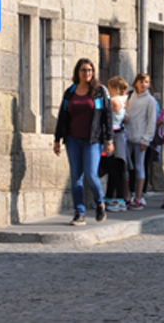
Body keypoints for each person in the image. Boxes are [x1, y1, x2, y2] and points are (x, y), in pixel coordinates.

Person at [54, 58, 114, 225]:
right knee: (76, 177)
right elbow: (62, 115)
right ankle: (79, 213)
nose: (87, 73)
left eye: (89, 70)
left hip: (92, 140)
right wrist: (57, 139)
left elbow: (107, 116)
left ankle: (100, 202)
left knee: (91, 174)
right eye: (83, 70)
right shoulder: (70, 92)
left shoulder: (99, 91)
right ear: (77, 72)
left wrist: (109, 139)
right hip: (72, 139)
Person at [125, 73, 157, 210]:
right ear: (136, 83)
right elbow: (126, 112)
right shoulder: (130, 97)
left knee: (139, 167)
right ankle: (126, 196)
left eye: (147, 82)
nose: (144, 84)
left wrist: (146, 139)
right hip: (127, 136)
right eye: (141, 81)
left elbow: (151, 122)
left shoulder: (150, 100)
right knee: (126, 166)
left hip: (140, 139)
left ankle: (138, 197)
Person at [104, 76, 129, 212]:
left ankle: (120, 199)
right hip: (117, 135)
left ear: (114, 88)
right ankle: (109, 197)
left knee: (116, 169)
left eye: (109, 87)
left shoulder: (114, 101)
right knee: (113, 169)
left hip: (115, 137)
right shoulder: (124, 100)